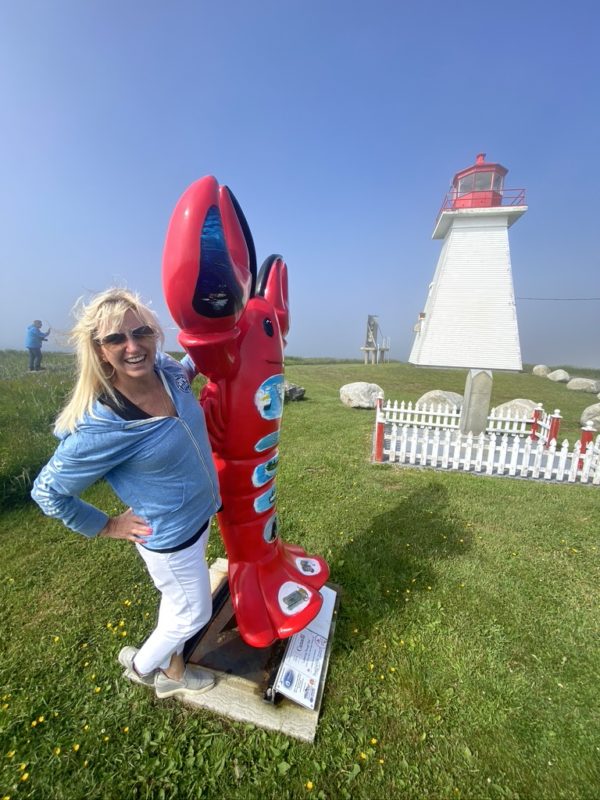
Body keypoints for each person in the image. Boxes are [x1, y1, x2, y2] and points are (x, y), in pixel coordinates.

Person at [31, 288, 221, 698]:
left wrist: (217, 347)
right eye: (116, 339)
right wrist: (108, 525)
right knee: (194, 613)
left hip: (198, 518)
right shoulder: (104, 424)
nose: (133, 347)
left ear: (154, 334)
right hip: (171, 540)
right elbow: (48, 491)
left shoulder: (167, 372)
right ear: (99, 351)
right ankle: (142, 667)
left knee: (177, 603)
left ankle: (175, 669)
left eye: (142, 333)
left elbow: (186, 378)